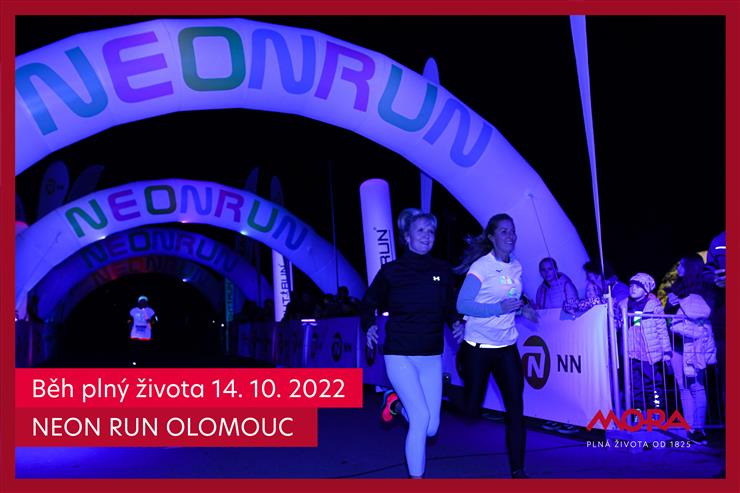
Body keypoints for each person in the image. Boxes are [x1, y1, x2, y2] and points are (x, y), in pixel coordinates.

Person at [360, 208, 463, 479]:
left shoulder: (442, 270)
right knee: (419, 419)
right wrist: (369, 325)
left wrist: (456, 322)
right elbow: (368, 302)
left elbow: (449, 307)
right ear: (407, 237)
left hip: (431, 355)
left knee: (431, 427)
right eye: (421, 230)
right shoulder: (392, 271)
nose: (427, 236)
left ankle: (394, 403)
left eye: (431, 231)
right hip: (400, 353)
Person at [453, 213, 538, 479]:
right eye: (504, 231)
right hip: (478, 348)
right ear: (491, 237)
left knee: (516, 409)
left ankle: (518, 470)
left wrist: (522, 310)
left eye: (512, 231)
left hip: (507, 347)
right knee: (471, 411)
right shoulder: (481, 267)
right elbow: (462, 305)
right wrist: (497, 308)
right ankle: (446, 390)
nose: (510, 236)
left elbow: (511, 300)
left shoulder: (517, 266)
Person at [664, 254, 716, 445]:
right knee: (683, 387)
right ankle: (691, 429)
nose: (678, 269)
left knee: (697, 386)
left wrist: (682, 303)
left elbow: (705, 313)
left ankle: (699, 429)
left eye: (682, 265)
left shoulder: (705, 289)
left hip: (694, 345)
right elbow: (667, 316)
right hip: (677, 344)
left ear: (690, 267)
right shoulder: (676, 287)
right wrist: (670, 305)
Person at [619, 273, 671, 414]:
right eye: (631, 285)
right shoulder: (624, 305)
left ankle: (656, 413)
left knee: (653, 385)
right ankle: (638, 413)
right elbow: (618, 325)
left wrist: (666, 352)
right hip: (632, 353)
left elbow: (662, 329)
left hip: (649, 354)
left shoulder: (653, 306)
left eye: (638, 286)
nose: (633, 288)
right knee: (635, 386)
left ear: (646, 289)